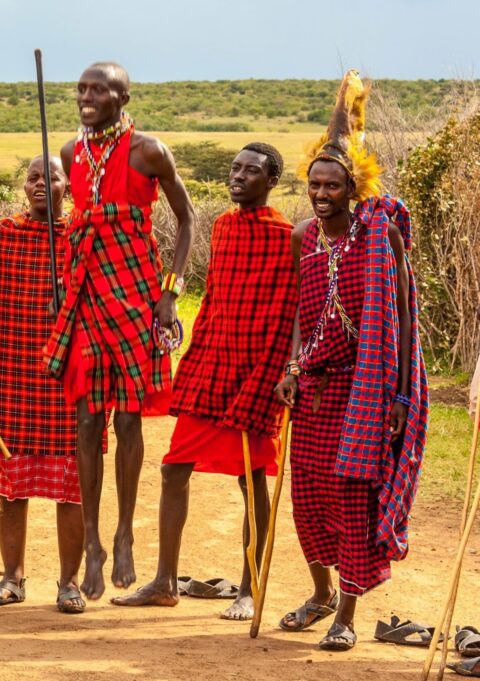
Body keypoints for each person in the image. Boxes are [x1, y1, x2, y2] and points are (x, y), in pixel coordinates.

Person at [274, 70, 428, 651]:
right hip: (315, 388)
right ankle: (317, 594)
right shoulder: (303, 237)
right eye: (314, 182)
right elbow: (298, 313)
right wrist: (291, 368)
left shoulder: (378, 234)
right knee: (308, 497)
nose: (320, 192)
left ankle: (346, 613)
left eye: (332, 185)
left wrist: (399, 394)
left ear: (353, 187)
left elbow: (404, 315)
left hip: (365, 391)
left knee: (351, 501)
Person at [112, 143, 297, 619]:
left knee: (250, 478)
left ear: (271, 181)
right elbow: (215, 296)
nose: (239, 176)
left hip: (256, 370)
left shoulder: (287, 235)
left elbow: (287, 312)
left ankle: (250, 588)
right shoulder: (223, 226)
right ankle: (164, 582)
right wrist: (193, 354)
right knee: (174, 467)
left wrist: (277, 375)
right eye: (235, 168)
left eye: (251, 171)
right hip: (212, 360)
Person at [42, 62, 195, 599]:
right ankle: (92, 540)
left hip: (134, 293)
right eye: (81, 88)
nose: (87, 96)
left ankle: (125, 532)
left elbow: (186, 220)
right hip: (86, 292)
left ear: (122, 96)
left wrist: (170, 293)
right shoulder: (69, 153)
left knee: (129, 419)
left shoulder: (148, 150)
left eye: (98, 89)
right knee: (87, 419)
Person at [0, 155, 92, 614]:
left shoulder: (85, 236)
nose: (41, 184)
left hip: (70, 377)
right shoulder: (5, 234)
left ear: (70, 185)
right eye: (33, 177)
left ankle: (69, 582)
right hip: (10, 370)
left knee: (73, 484)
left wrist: (68, 307)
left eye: (52, 177)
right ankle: (12, 577)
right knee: (13, 482)